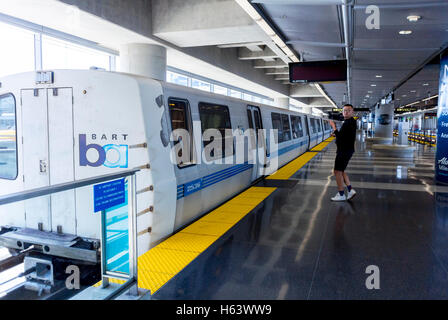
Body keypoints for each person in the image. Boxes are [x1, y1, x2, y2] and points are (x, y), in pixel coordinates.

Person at [329, 104, 357, 201]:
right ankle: (350, 190)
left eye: (348, 110)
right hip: (346, 150)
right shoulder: (350, 122)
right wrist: (336, 134)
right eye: (344, 110)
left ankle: (341, 194)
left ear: (352, 112)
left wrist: (334, 127)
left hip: (344, 151)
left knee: (337, 171)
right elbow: (344, 136)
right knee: (341, 171)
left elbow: (341, 137)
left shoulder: (349, 122)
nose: (346, 112)